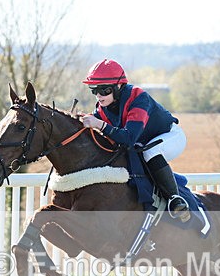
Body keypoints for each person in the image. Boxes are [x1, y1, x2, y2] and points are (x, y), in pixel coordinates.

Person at [79, 59, 191, 222]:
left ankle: (175, 199)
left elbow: (129, 138)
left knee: (150, 152)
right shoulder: (102, 108)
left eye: (104, 90)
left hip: (171, 136)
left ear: (119, 87)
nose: (99, 95)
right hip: (143, 142)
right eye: (94, 90)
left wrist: (101, 125)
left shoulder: (139, 98)